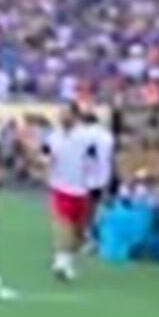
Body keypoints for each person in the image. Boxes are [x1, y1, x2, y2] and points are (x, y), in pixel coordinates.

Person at [47, 103, 105, 282]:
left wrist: (95, 182)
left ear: (75, 116)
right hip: (60, 186)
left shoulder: (87, 137)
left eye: (66, 114)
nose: (62, 117)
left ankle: (68, 259)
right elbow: (46, 155)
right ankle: (60, 261)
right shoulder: (54, 137)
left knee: (78, 232)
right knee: (63, 225)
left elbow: (95, 161)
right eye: (60, 113)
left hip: (82, 188)